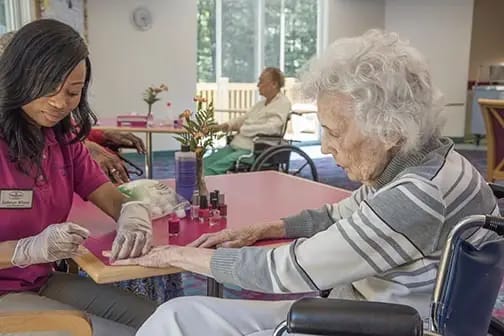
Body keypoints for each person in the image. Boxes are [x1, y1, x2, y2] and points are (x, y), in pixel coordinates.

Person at [114, 29, 499, 336]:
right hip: (355, 311)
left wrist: (174, 255)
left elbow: (286, 271)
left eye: (335, 131)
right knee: (180, 315)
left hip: (371, 324)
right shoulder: (423, 164)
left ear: (390, 129)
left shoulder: (415, 197)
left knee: (177, 323)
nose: (327, 147)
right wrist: (263, 228)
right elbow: (338, 215)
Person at [0, 20, 156, 335]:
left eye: (72, 92)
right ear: (18, 77)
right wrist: (27, 250)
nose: (60, 103)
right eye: (47, 89)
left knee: (160, 319)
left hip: (40, 281)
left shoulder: (61, 136)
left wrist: (132, 213)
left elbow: (108, 195)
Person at [0, 31, 146, 185]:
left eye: (74, 92)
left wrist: (101, 137)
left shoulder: (51, 113)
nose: (59, 103)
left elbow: (67, 130)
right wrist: (84, 149)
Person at [205, 67, 292, 175]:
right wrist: (226, 125)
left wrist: (245, 129)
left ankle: (205, 189)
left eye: (261, 81)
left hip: (253, 149)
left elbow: (272, 128)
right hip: (238, 145)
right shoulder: (260, 104)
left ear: (274, 84)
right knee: (204, 163)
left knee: (214, 168)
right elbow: (245, 118)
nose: (258, 85)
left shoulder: (282, 103)